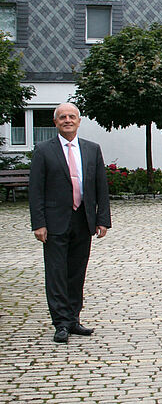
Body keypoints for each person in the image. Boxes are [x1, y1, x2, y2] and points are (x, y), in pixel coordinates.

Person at [29, 103, 111, 343]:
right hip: (54, 222)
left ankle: (74, 319)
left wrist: (102, 219)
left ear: (79, 120)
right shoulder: (44, 150)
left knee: (77, 272)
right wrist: (39, 223)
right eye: (62, 117)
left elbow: (100, 187)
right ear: (55, 122)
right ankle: (61, 322)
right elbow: (35, 190)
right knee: (56, 273)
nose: (67, 120)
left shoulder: (91, 149)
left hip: (82, 219)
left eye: (71, 116)